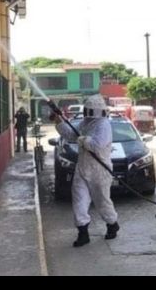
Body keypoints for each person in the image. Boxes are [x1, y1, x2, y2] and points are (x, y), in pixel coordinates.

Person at [54, 94, 119, 247]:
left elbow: (97, 145)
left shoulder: (104, 125)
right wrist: (59, 122)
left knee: (102, 201)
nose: (87, 113)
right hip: (82, 168)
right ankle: (83, 233)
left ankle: (112, 224)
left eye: (89, 110)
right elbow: (71, 135)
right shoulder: (85, 123)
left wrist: (83, 140)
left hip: (100, 170)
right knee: (79, 202)